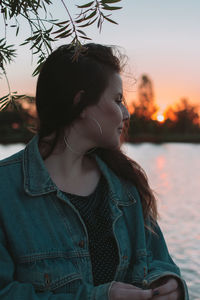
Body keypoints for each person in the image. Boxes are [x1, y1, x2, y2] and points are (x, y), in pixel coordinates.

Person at [0, 43, 188, 300]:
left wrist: (170, 284)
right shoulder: (5, 190)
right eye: (117, 99)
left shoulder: (126, 185)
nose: (127, 112)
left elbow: (158, 260)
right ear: (81, 103)